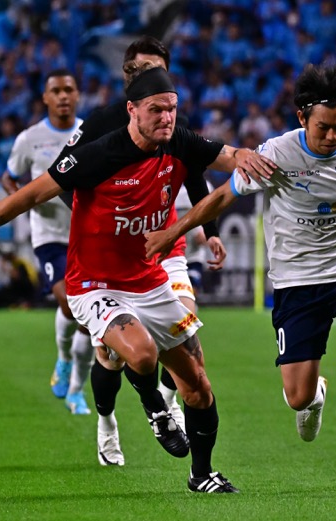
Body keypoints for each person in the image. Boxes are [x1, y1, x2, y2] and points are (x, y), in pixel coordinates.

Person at [0, 65, 275, 493]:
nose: (167, 118)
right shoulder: (97, 156)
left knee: (197, 384)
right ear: (132, 111)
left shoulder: (178, 142)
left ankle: (201, 474)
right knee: (139, 355)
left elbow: (227, 155)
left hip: (150, 280)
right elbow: (25, 196)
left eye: (172, 109)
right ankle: (154, 407)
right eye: (156, 110)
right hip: (94, 283)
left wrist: (244, 154)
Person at [146, 61, 336, 456]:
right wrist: (173, 232)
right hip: (297, 285)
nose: (333, 136)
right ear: (302, 117)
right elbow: (223, 197)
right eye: (323, 127)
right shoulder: (277, 153)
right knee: (297, 396)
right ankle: (316, 395)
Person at [50, 37, 227, 466]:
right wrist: (101, 224)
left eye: (156, 67)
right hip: (111, 255)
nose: (148, 75)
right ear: (128, 78)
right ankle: (107, 421)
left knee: (185, 330)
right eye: (139, 69)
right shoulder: (102, 124)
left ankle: (169, 407)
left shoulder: (168, 121)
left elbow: (194, 170)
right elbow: (61, 180)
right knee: (113, 355)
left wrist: (208, 229)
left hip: (162, 244)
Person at [1, 68, 95, 416]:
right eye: (56, 90)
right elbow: (9, 177)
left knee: (87, 317)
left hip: (87, 232)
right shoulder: (29, 139)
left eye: (69, 89)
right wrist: (25, 202)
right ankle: (63, 359)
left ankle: (76, 392)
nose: (63, 96)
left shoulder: (91, 132)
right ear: (45, 98)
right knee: (71, 304)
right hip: (50, 235)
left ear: (77, 94)